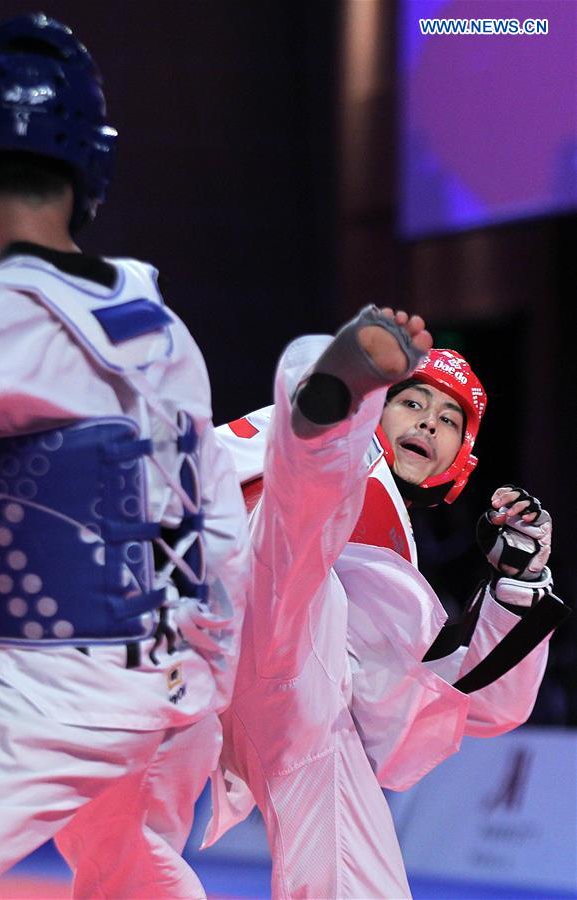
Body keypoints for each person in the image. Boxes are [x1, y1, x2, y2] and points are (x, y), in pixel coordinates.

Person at [0, 13, 248, 900]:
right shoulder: (163, 330)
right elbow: (211, 522)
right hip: (157, 686)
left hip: (54, 693)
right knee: (124, 864)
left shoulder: (8, 311)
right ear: (93, 170)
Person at [200, 306, 568, 899]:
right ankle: (336, 386)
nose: (428, 423)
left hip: (288, 698)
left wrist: (516, 585)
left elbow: (480, 704)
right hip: (218, 606)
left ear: (460, 457)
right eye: (413, 402)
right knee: (311, 500)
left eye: (450, 419)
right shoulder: (347, 465)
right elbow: (195, 471)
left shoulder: (398, 564)